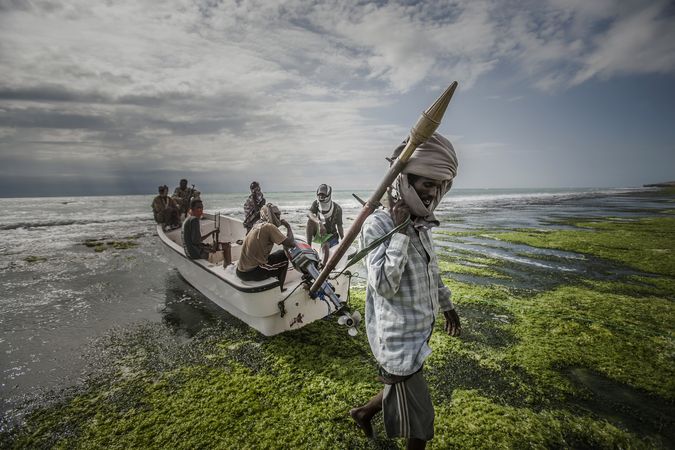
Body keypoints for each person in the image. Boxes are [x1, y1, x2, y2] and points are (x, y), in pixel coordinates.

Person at [349, 133, 462, 450]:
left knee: (402, 389)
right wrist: (399, 233)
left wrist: (447, 305)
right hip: (397, 338)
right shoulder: (380, 225)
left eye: (438, 185)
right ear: (406, 181)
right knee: (423, 426)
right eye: (426, 183)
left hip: (419, 332)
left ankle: (362, 413)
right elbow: (384, 286)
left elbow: (431, 272)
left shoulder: (421, 223)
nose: (432, 192)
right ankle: (362, 413)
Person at [236, 203, 295, 292]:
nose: (279, 217)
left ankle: (274, 277)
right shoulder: (269, 227)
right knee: (283, 257)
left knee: (277, 254)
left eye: (279, 214)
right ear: (269, 214)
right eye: (276, 215)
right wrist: (288, 226)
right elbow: (290, 243)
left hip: (240, 271)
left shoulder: (257, 225)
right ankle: (280, 289)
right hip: (252, 272)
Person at [305, 184, 344, 265]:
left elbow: (339, 226)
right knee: (310, 221)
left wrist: (343, 241)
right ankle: (308, 249)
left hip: (331, 236)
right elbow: (309, 213)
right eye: (319, 195)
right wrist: (319, 223)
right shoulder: (316, 204)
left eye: (323, 195)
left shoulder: (337, 208)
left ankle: (323, 267)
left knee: (326, 248)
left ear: (329, 195)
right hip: (319, 234)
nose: (321, 197)